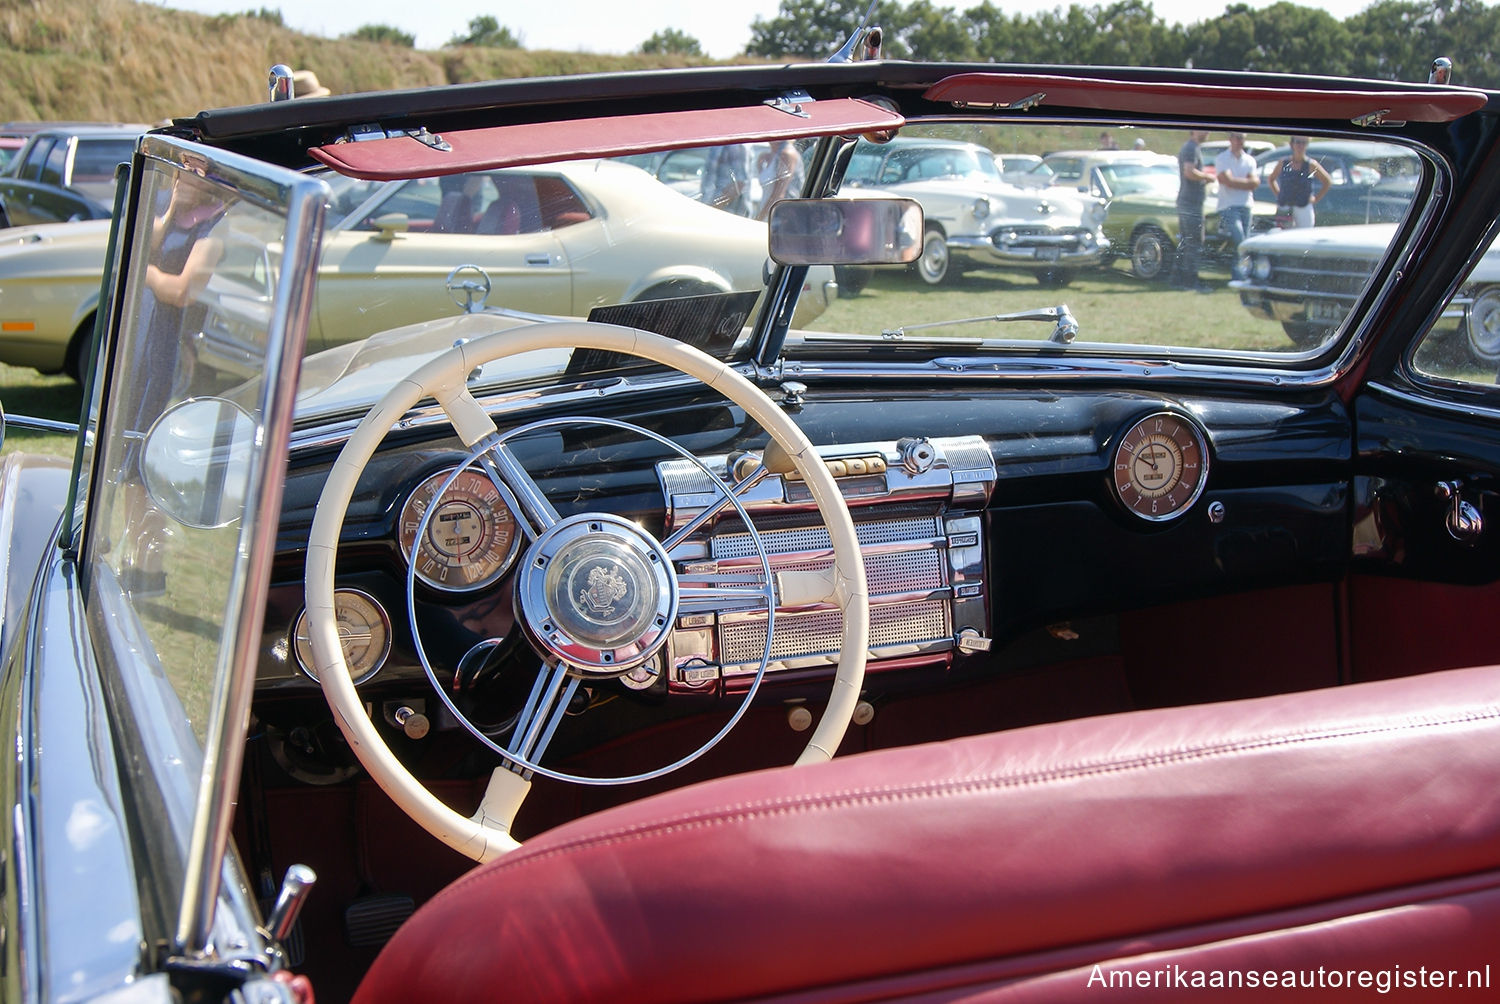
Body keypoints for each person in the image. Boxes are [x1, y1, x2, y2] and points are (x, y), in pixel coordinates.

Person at [1213, 132, 1259, 280]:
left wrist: (1235, 182)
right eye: (1237, 138)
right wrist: (1245, 183)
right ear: (1230, 139)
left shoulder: (1249, 160)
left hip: (1245, 205)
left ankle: (1240, 274)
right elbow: (1227, 180)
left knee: (1244, 241)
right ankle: (1241, 275)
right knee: (1240, 239)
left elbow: (1255, 183)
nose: (1240, 141)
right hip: (1228, 205)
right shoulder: (1222, 159)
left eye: (1242, 139)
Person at [1171, 130, 1213, 292]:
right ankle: (1190, 281)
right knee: (1194, 242)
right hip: (1191, 203)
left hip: (1187, 201)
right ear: (1194, 132)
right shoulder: (1191, 148)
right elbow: (1189, 171)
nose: (1207, 131)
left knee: (1186, 242)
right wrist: (1207, 177)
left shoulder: (1190, 147)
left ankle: (1177, 279)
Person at [1268, 136, 1332, 228]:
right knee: (1283, 235)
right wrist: (1279, 194)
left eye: (1304, 143)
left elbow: (1327, 181)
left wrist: (1315, 198)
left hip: (1304, 206)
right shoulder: (1283, 163)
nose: (1300, 145)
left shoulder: (1311, 164)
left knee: (1304, 235)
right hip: (1285, 206)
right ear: (1292, 144)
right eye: (1298, 142)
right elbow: (1271, 179)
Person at [756, 140, 805, 221]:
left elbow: (778, 195)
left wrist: (759, 218)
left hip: (782, 218)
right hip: (768, 212)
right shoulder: (770, 154)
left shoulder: (787, 154)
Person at [700, 143, 752, 216]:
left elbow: (740, 184)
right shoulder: (715, 146)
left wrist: (715, 207)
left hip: (728, 213)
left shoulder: (735, 147)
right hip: (711, 208)